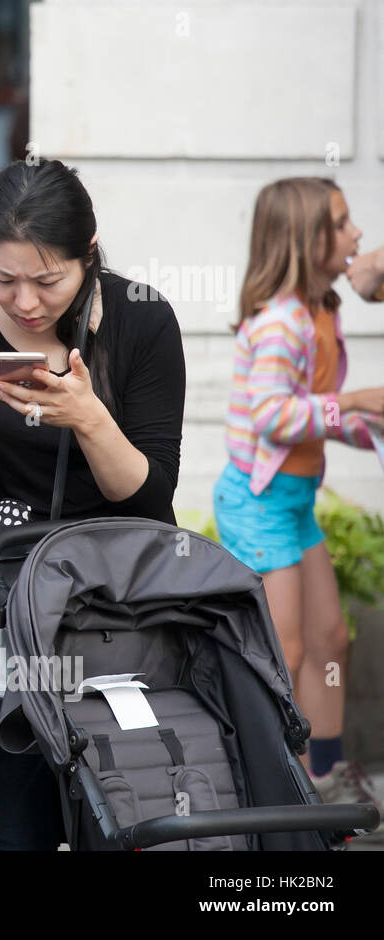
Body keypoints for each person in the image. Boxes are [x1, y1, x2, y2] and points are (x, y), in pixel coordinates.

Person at [0, 157, 186, 849]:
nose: (26, 303)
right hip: (2, 609)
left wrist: (91, 418)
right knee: (16, 810)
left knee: (124, 804)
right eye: (3, 280)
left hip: (116, 606)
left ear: (87, 255)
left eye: (48, 280)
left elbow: (153, 499)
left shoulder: (141, 320)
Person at [212, 177, 384, 822]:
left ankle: (326, 774)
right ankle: (265, 784)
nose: (357, 234)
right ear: (307, 240)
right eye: (342, 223)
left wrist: (365, 428)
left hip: (293, 501)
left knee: (330, 640)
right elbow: (272, 415)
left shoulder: (322, 311)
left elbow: (317, 416)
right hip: (257, 503)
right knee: (284, 651)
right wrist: (359, 401)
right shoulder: (282, 320)